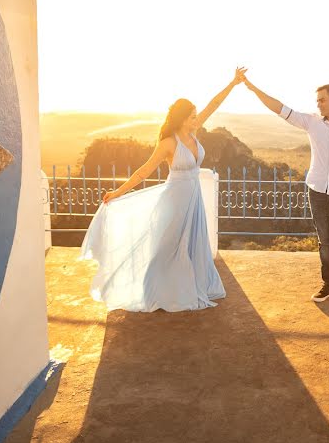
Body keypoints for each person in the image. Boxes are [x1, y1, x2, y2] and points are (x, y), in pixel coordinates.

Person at [78, 68, 247, 312]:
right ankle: (150, 290)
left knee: (191, 245)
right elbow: (144, 171)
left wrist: (233, 83)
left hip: (193, 197)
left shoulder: (194, 132)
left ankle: (191, 285)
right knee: (166, 247)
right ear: (181, 118)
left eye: (196, 116)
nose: (196, 119)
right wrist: (117, 193)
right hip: (175, 198)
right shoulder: (168, 143)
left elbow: (214, 104)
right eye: (191, 116)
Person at [243, 77, 329, 309]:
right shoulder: (312, 122)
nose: (319, 105)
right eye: (317, 101)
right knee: (325, 243)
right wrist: (253, 88)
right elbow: (280, 108)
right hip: (318, 193)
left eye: (323, 100)